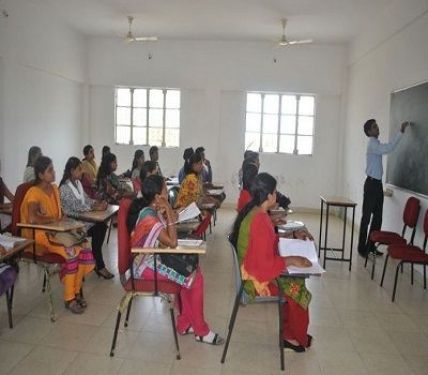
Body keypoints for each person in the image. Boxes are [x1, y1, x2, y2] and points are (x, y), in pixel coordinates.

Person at [129, 174, 224, 345]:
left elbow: (167, 225)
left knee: (192, 272)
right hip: (145, 266)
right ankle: (201, 330)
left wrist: (172, 211)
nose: (168, 193)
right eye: (165, 190)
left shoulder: (150, 210)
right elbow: (172, 242)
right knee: (194, 278)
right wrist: (168, 210)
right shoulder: (149, 218)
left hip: (154, 258)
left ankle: (185, 323)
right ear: (158, 197)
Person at [231, 173, 313, 352]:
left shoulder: (257, 213)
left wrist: (292, 235)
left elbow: (268, 242)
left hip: (253, 272)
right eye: (275, 192)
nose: (277, 195)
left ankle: (290, 332)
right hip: (255, 282)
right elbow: (263, 266)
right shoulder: (259, 219)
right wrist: (291, 259)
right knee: (298, 288)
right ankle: (293, 337)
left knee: (295, 282)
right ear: (268, 196)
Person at [20, 156, 95, 314]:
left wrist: (73, 225)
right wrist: (53, 221)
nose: (54, 173)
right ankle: (69, 298)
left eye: (53, 169)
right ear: (40, 175)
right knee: (72, 252)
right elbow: (33, 219)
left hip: (56, 231)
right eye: (50, 170)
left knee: (85, 247)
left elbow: (60, 216)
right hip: (40, 235)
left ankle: (75, 291)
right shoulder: (34, 192)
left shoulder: (54, 188)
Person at [358, 119, 409, 257]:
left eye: (377, 126)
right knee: (366, 218)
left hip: (377, 184)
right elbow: (389, 148)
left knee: (378, 218)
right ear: (369, 132)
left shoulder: (376, 144)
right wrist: (400, 132)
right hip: (371, 184)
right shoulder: (373, 145)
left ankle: (371, 246)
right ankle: (362, 248)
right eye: (374, 127)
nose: (377, 128)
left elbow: (386, 148)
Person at [59, 157, 113, 279]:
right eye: (79, 169)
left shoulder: (78, 184)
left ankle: (97, 263)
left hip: (84, 220)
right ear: (72, 171)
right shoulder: (64, 188)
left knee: (101, 226)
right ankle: (99, 265)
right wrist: (94, 209)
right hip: (72, 224)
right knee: (99, 228)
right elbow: (73, 208)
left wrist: (96, 203)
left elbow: (86, 199)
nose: (82, 171)